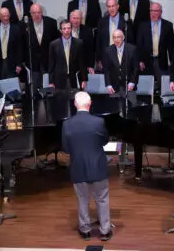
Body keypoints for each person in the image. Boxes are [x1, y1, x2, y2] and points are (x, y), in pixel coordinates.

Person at [62, 92, 112, 241]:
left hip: (78, 166)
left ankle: (85, 230)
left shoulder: (67, 124)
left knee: (82, 199)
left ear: (75, 104)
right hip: (98, 166)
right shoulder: (99, 122)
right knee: (102, 198)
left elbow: (65, 148)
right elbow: (104, 141)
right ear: (90, 104)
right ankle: (105, 230)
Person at [48, 20, 89, 120]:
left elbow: (82, 63)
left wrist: (84, 79)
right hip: (59, 79)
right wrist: (51, 81)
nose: (67, 31)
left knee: (74, 104)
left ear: (71, 29)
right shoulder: (54, 44)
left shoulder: (79, 43)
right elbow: (51, 64)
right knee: (60, 104)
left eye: (68, 28)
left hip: (74, 78)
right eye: (64, 28)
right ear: (61, 30)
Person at [0, 7, 23, 79]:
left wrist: (19, 64)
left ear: (9, 16)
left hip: (12, 64)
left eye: (7, 16)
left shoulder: (16, 29)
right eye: (3, 16)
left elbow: (19, 48)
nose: (6, 18)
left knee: (12, 86)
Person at [95, 0, 128, 66]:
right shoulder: (102, 22)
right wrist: (98, 59)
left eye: (113, 6)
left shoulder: (125, 22)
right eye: (109, 6)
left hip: (121, 58)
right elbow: (98, 42)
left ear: (117, 6)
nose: (111, 9)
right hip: (105, 58)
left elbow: (129, 42)